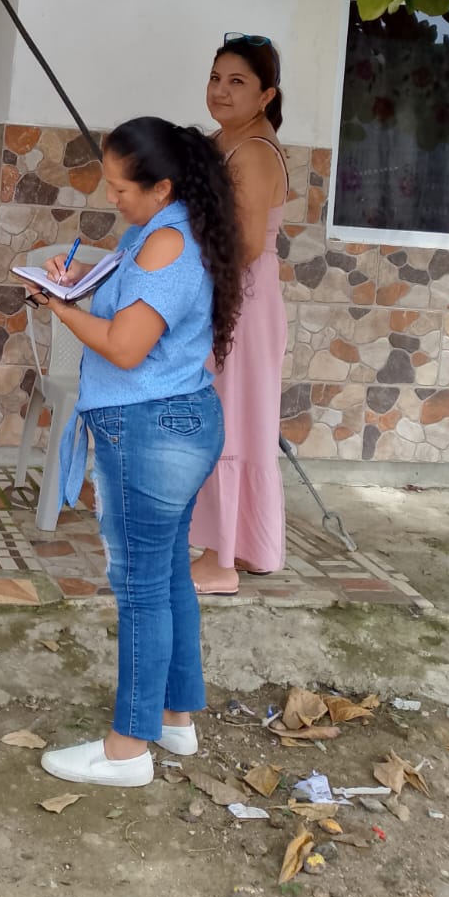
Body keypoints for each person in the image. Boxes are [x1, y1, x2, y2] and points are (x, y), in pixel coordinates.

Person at [34, 118, 242, 788]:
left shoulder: (166, 243)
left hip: (151, 430)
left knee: (142, 589)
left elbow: (125, 347)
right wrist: (77, 285)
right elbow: (132, 309)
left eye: (123, 188)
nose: (112, 197)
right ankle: (175, 718)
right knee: (169, 575)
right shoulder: (160, 230)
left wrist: (60, 309)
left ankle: (126, 750)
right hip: (175, 421)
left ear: (163, 187)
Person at [190, 34, 289, 595]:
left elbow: (246, 244)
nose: (220, 91)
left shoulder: (252, 151)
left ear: (265, 94)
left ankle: (220, 561)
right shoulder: (222, 142)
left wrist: (183, 260)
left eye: (237, 82)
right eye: (215, 78)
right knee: (239, 416)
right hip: (229, 293)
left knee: (229, 418)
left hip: (241, 300)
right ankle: (250, 546)